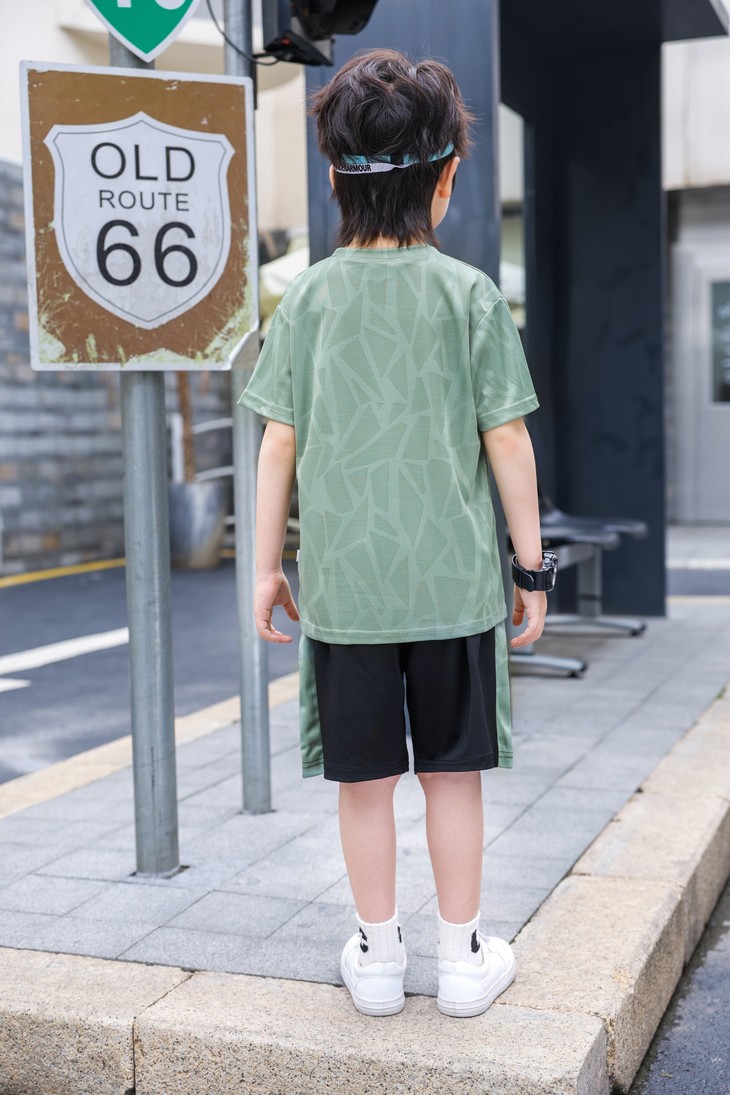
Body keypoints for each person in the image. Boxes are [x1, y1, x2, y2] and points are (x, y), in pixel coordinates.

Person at [239, 48, 554, 1019]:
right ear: (446, 179)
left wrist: (264, 569)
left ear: (335, 180)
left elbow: (278, 442)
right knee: (454, 776)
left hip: (347, 594)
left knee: (363, 781)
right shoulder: (469, 294)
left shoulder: (307, 299)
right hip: (453, 587)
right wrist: (530, 570)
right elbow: (507, 438)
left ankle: (377, 958)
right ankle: (462, 959)